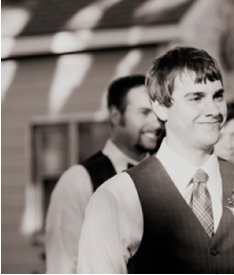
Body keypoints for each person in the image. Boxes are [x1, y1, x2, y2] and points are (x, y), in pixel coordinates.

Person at [78, 46, 234, 274]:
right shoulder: (118, 198)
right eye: (196, 98)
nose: (213, 110)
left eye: (218, 96)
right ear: (161, 107)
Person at [44, 75, 162, 274]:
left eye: (158, 113)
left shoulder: (166, 176)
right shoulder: (79, 180)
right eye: (144, 113)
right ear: (116, 115)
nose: (157, 124)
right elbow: (63, 265)